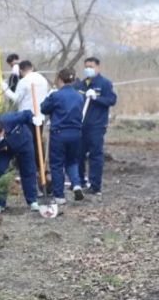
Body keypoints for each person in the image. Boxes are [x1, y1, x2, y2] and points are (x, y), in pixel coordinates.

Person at [0, 111, 41, 214]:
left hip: (23, 142)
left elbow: (27, 114)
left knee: (28, 170)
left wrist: (33, 119)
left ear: (2, 130)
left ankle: (32, 200)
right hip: (4, 149)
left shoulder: (10, 120)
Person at [41, 70, 85, 204]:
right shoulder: (79, 96)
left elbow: (43, 108)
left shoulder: (56, 96)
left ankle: (59, 196)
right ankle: (76, 184)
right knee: (72, 161)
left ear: (60, 79)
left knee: (57, 164)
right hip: (76, 133)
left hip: (59, 133)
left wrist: (49, 96)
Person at [75, 57, 117, 196]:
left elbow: (111, 100)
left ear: (98, 67)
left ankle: (95, 186)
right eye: (86, 66)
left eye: (91, 66)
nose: (88, 69)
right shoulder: (81, 84)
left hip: (97, 125)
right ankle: (80, 181)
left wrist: (96, 98)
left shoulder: (104, 83)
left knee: (95, 155)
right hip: (81, 125)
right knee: (78, 154)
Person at [2, 60, 49, 174]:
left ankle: (27, 167)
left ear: (21, 71)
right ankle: (40, 168)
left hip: (26, 117)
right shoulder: (43, 80)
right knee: (38, 143)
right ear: (32, 67)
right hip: (39, 117)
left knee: (27, 143)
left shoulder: (24, 81)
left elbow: (16, 98)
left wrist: (4, 88)